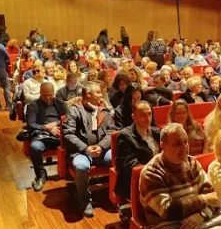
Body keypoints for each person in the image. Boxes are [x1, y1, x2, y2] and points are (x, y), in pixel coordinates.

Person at [63, 82, 115, 217]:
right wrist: (85, 148)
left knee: (119, 158)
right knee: (81, 166)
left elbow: (111, 131)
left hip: (101, 150)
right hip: (80, 152)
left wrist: (101, 146)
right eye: (98, 92)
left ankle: (116, 195)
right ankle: (84, 201)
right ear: (88, 94)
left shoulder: (104, 109)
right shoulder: (74, 110)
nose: (101, 95)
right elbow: (68, 134)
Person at [27, 82, 68, 191]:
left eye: (50, 95)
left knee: (75, 141)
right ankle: (40, 175)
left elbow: (68, 119)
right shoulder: (33, 105)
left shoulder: (61, 104)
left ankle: (68, 170)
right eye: (45, 95)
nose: (48, 98)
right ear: (40, 93)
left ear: (53, 92)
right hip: (42, 134)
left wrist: (56, 124)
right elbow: (31, 124)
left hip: (59, 132)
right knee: (35, 147)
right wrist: (46, 127)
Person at [115, 100, 160, 199]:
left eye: (149, 114)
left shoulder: (157, 132)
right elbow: (129, 164)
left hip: (159, 177)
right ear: (134, 117)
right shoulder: (125, 136)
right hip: (136, 182)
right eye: (143, 115)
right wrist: (154, 173)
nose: (147, 118)